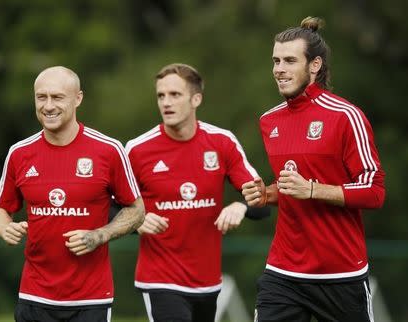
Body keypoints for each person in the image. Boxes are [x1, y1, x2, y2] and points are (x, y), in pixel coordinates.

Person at [242, 17, 385, 322]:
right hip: (283, 271)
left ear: (315, 65)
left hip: (341, 272)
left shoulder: (346, 116)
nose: (279, 69)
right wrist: (267, 194)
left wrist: (313, 189)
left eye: (290, 60)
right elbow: (292, 187)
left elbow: (374, 190)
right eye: (276, 61)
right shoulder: (270, 121)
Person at [0, 66, 145, 322]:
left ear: (78, 99)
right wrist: (4, 227)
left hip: (91, 298)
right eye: (41, 97)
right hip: (34, 295)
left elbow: (137, 209)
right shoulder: (19, 153)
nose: (48, 106)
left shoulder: (109, 150)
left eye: (57, 97)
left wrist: (101, 234)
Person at [125, 63, 269, 322]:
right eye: (161, 95)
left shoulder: (222, 142)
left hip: (208, 282)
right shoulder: (137, 150)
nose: (166, 102)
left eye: (175, 95)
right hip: (160, 280)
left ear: (196, 99)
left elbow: (263, 203)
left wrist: (242, 207)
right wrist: (137, 220)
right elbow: (107, 207)